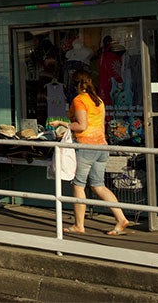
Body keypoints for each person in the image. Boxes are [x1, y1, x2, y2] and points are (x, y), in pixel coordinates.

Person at [51, 70, 130, 236]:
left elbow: (82, 126)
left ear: (76, 85)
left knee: (79, 184)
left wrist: (63, 124)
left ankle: (79, 225)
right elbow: (100, 125)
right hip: (102, 146)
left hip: (86, 146)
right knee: (98, 185)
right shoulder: (98, 101)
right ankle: (121, 218)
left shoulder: (79, 100)